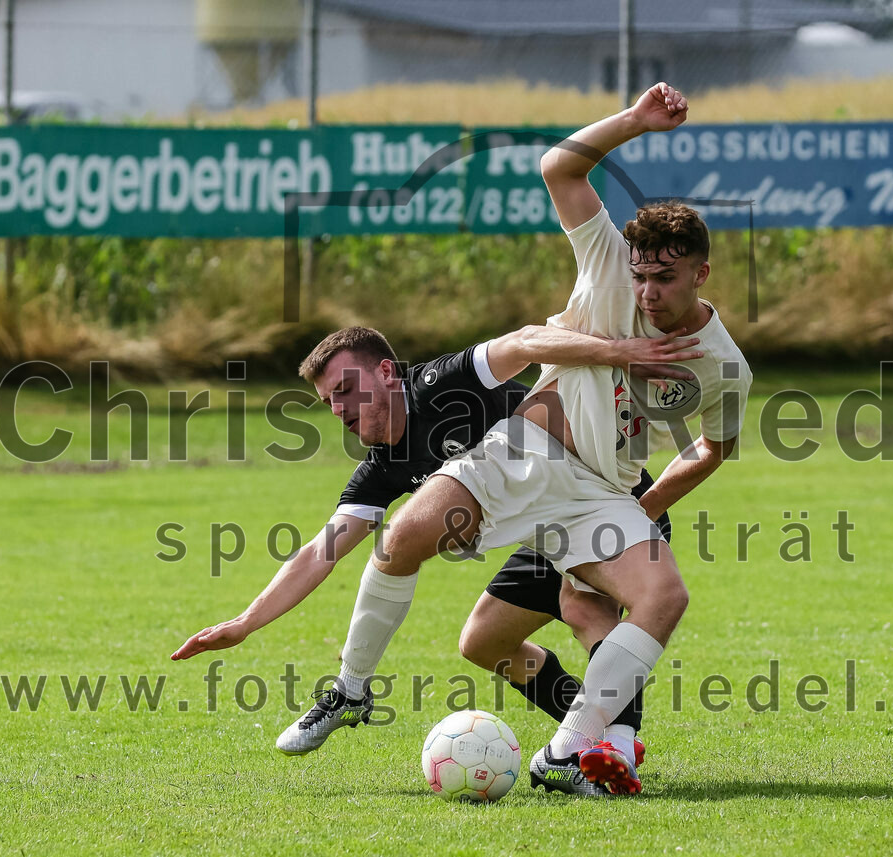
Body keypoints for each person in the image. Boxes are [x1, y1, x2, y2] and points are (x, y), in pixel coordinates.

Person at [258, 82, 752, 797]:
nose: (645, 293)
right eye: (640, 277)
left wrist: (647, 509)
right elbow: (560, 167)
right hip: (524, 451)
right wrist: (636, 123)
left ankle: (578, 747)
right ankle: (353, 690)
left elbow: (712, 448)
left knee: (659, 597)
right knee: (406, 541)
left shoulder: (724, 366)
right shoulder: (608, 263)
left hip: (602, 490)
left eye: (664, 280)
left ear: (701, 274)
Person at [171, 322, 701, 787]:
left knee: (586, 609)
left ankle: (614, 746)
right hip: (545, 530)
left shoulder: (442, 383)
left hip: (610, 506)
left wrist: (617, 350)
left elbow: (523, 341)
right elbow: (320, 552)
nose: (337, 409)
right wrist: (245, 623)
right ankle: (584, 728)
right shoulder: (383, 467)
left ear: (385, 372)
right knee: (483, 642)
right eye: (328, 401)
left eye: (344, 390)